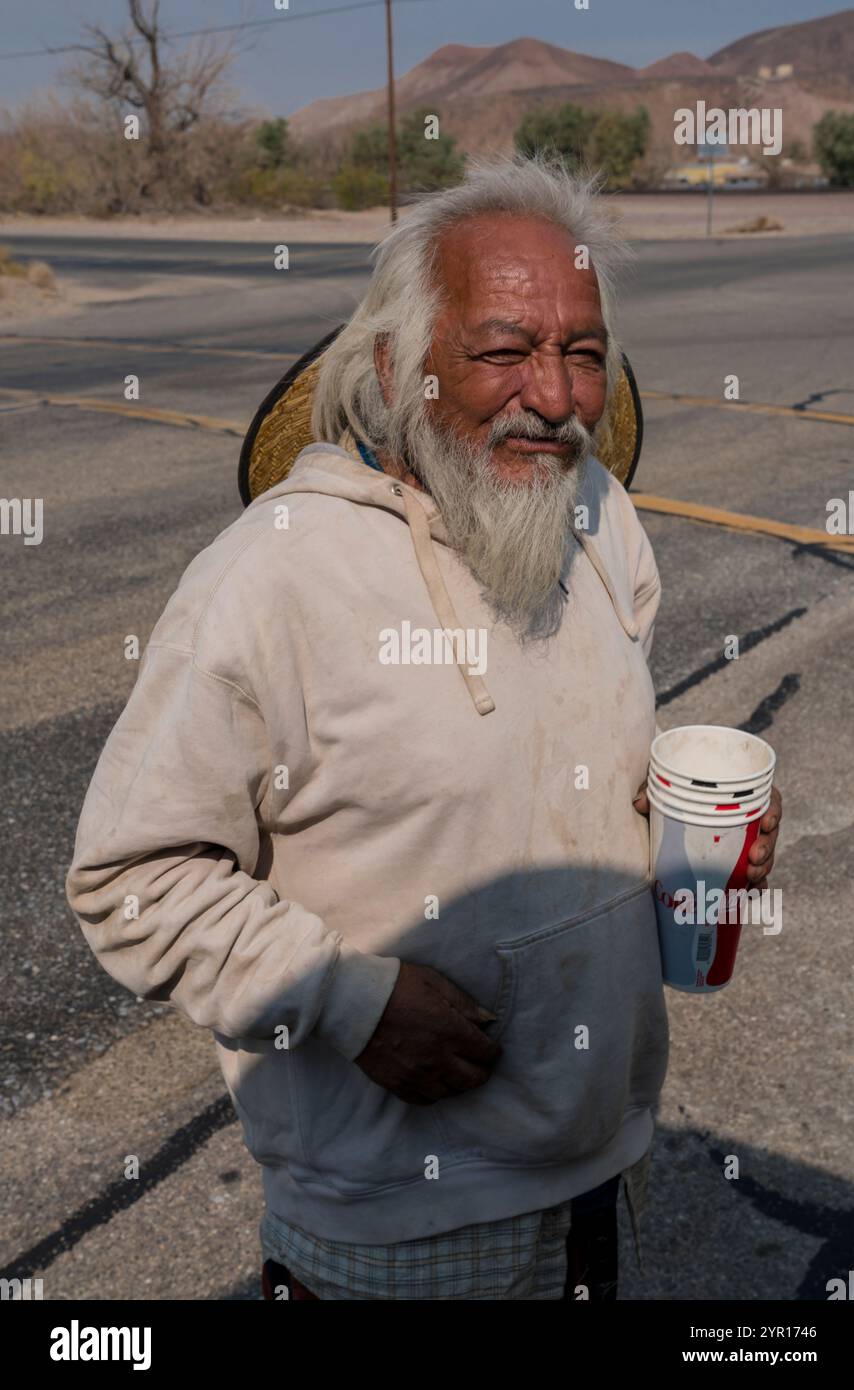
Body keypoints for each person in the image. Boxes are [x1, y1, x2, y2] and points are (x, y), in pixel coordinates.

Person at [66, 155, 782, 1301]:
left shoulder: (600, 516)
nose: (554, 397)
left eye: (584, 353)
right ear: (401, 364)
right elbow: (129, 874)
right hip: (399, 1227)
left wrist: (694, 834)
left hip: (606, 1167)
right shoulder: (271, 580)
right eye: (505, 348)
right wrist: (349, 1003)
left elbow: (561, 767)